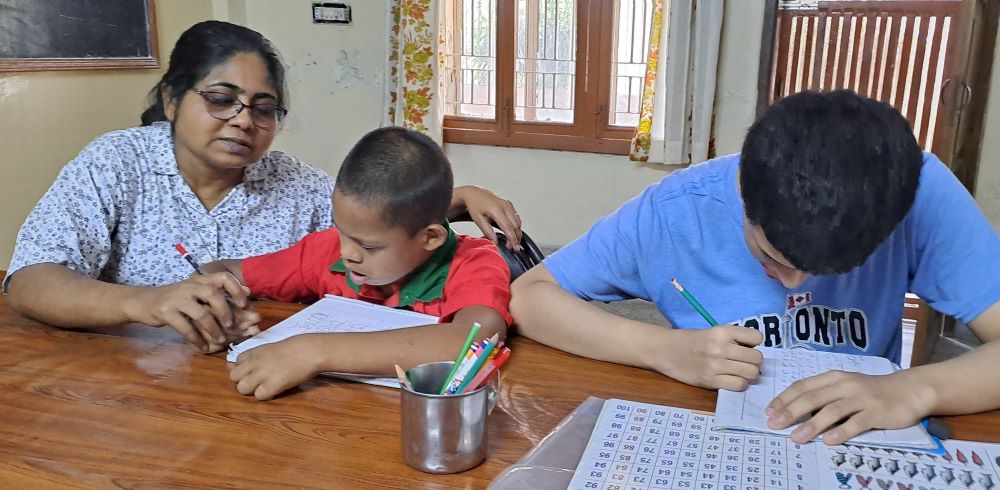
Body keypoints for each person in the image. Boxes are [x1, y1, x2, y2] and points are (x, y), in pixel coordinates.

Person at [510, 90, 1000, 446]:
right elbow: (531, 297)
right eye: (770, 258)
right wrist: (660, 348)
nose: (795, 286)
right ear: (743, 187)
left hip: (848, 444)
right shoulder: (677, 209)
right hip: (713, 435)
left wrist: (914, 388)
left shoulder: (922, 193)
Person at [3, 21, 521, 354]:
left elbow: (378, 217)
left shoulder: (292, 183)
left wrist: (459, 196)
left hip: (255, 383)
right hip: (124, 377)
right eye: (221, 98)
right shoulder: (115, 163)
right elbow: (29, 281)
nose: (243, 121)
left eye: (263, 107)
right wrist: (143, 303)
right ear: (171, 99)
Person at [202, 126, 511, 400]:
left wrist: (316, 351)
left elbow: (473, 344)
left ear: (430, 238)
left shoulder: (474, 262)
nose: (348, 253)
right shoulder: (325, 251)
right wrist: (222, 304)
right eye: (342, 231)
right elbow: (222, 270)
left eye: (368, 246)